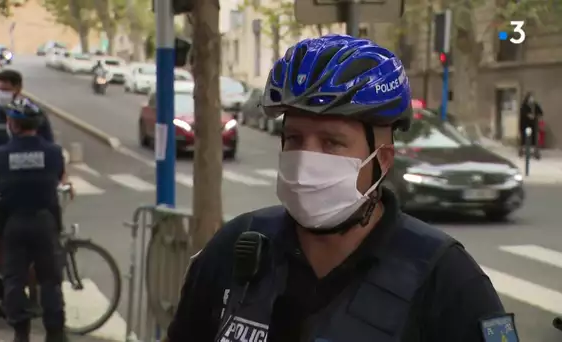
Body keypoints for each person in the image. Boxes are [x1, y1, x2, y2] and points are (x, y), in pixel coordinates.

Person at [167, 35, 516, 342]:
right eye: (295, 138)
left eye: (332, 143)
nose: (306, 159)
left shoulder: (448, 280)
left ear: (383, 159)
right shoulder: (232, 250)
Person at [0, 98, 71, 342]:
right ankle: (54, 332)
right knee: (49, 279)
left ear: (13, 125)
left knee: (14, 278)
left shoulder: (2, 154)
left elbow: (0, 181)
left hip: (14, 222)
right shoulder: (53, 153)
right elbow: (58, 177)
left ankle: (20, 331)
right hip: (44, 220)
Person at [0, 69, 55, 315]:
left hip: (28, 195)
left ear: (18, 89)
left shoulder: (36, 116)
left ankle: (29, 299)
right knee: (1, 248)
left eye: (5, 88)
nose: (0, 92)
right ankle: (8, 299)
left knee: (30, 254)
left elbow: (50, 150)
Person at [519, 92, 543, 159]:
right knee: (525, 139)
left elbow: (540, 112)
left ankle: (536, 153)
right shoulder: (524, 105)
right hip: (525, 124)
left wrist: (537, 115)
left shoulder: (535, 105)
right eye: (530, 98)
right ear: (528, 98)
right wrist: (528, 115)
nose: (532, 99)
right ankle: (522, 151)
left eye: (532, 98)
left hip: (533, 124)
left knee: (535, 139)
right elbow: (523, 112)